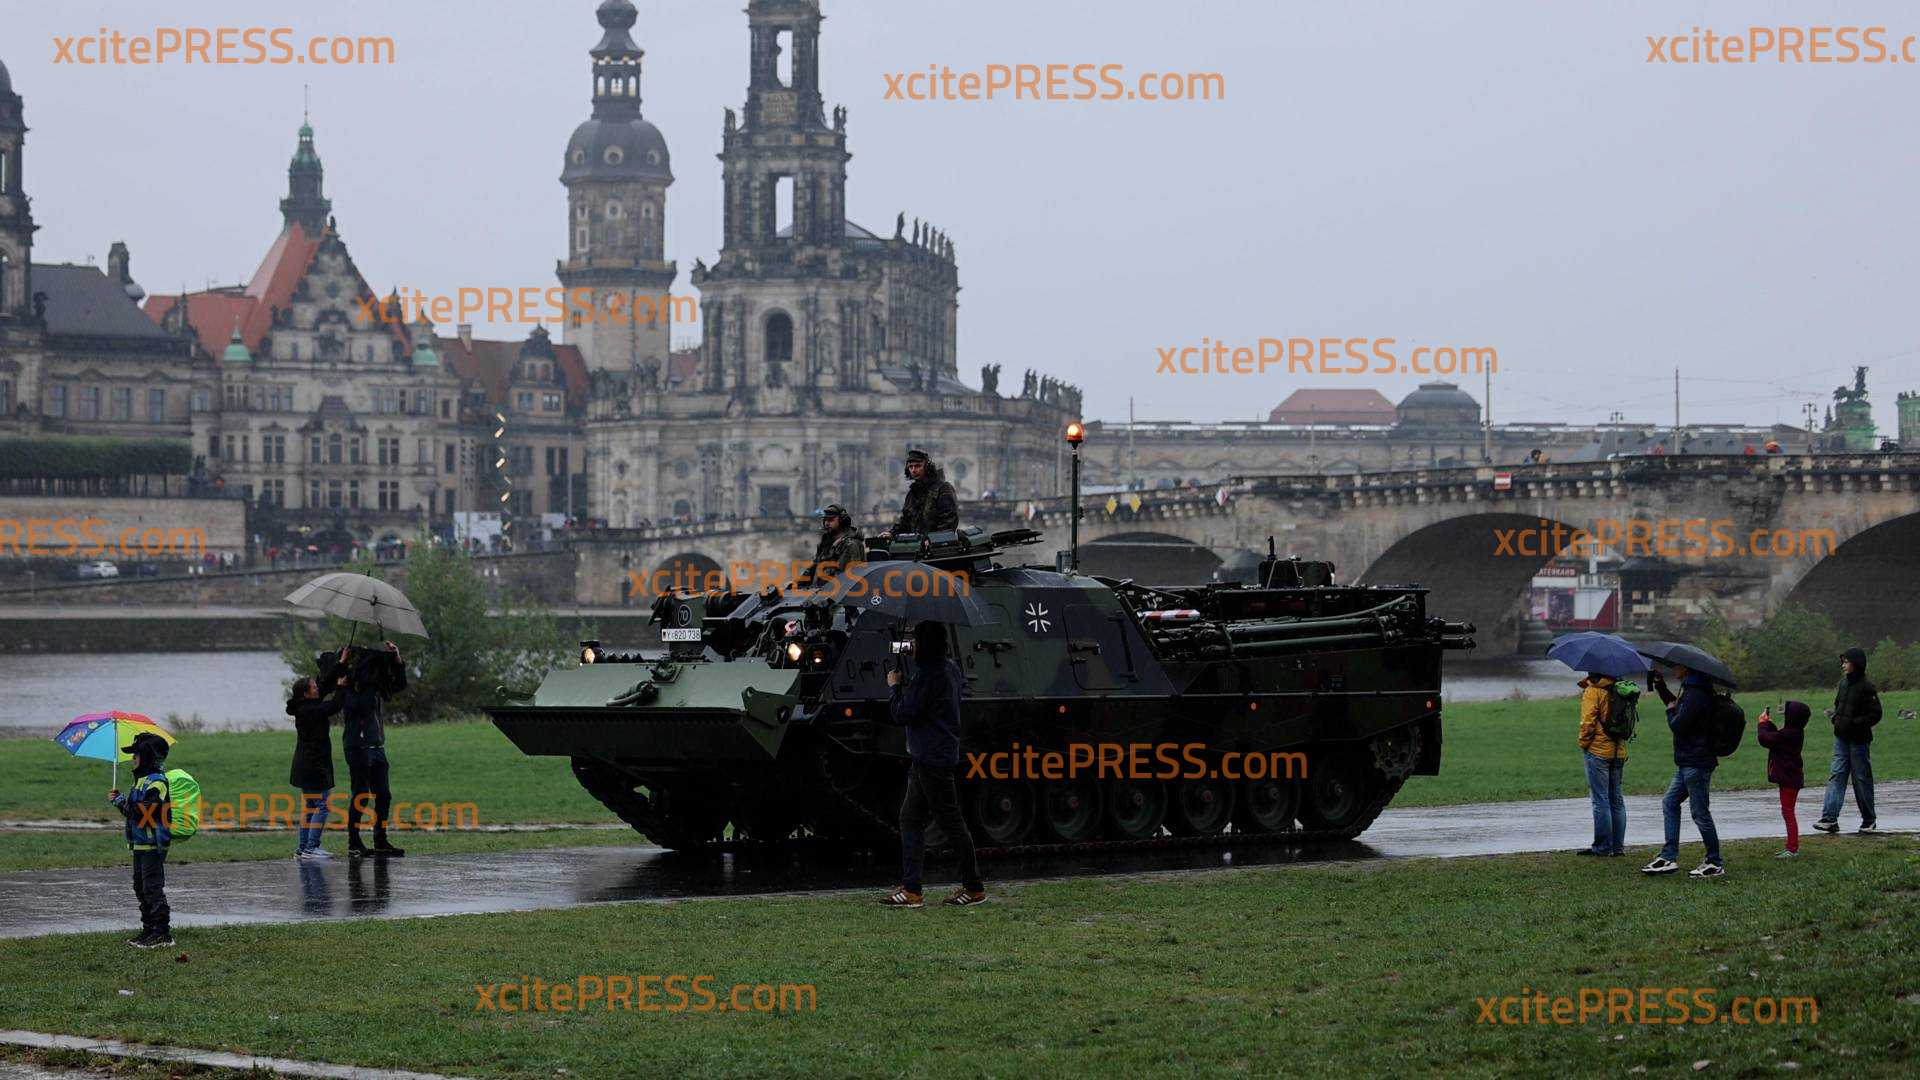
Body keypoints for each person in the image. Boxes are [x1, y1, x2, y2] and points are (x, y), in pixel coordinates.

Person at [879, 620, 986, 908]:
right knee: (912, 818)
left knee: (950, 822)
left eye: (915, 640)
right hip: (933, 755)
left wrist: (894, 687)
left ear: (926, 645)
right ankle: (912, 888)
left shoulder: (929, 675)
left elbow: (903, 714)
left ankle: (972, 886)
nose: (911, 645)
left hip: (930, 758)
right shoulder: (948, 668)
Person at [321, 640, 409, 858]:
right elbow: (325, 686)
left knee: (384, 795)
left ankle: (380, 839)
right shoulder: (346, 688)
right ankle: (354, 841)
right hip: (356, 746)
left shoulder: (375, 686)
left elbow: (398, 684)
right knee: (360, 794)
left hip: (377, 745)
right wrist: (341, 665)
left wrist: (397, 659)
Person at [1640, 665, 1724, 878]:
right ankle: (1668, 857)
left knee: (1700, 813)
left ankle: (1714, 862)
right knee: (1670, 802)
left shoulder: (1696, 694)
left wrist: (1669, 711)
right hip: (1688, 761)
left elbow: (1678, 723)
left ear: (1686, 668)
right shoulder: (1693, 690)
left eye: (1675, 666)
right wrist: (1661, 687)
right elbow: (1679, 708)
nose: (1672, 668)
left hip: (1697, 762)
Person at [108, 732, 174, 948]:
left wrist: (120, 802)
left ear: (146, 757)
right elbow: (133, 811)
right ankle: (149, 930)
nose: (132, 759)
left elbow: (143, 812)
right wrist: (122, 802)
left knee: (152, 888)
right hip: (139, 843)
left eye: (135, 755)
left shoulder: (157, 783)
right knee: (140, 886)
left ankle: (162, 934)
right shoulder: (141, 781)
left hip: (152, 845)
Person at [1813, 648, 1881, 835]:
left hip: (1859, 741)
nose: (1843, 665)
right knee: (1837, 775)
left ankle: (1869, 819)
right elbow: (1838, 706)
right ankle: (1829, 818)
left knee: (1861, 779)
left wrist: (1855, 724)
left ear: (1856, 664)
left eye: (1846, 661)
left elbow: (1876, 714)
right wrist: (1836, 719)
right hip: (1841, 739)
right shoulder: (1843, 684)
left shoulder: (1867, 687)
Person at [288, 673, 347, 859]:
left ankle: (303, 848)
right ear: (306, 694)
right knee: (322, 806)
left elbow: (323, 700)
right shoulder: (312, 710)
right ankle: (312, 847)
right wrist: (341, 687)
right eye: (314, 687)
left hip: (304, 765)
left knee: (311, 807)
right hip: (314, 765)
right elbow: (335, 705)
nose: (317, 689)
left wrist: (340, 666)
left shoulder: (302, 707)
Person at [1575, 672, 1628, 857]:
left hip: (1598, 751)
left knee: (1600, 800)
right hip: (1619, 750)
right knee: (1617, 800)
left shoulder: (1593, 691)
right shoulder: (1620, 688)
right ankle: (1618, 847)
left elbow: (1588, 722)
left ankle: (1602, 847)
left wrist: (1583, 743)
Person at [1757, 702, 1810, 858]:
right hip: (1790, 778)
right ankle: (1791, 847)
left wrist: (1762, 724)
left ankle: (1792, 848)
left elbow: (1765, 739)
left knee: (1788, 812)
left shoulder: (1790, 734)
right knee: (1787, 811)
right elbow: (1775, 736)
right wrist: (1767, 723)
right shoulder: (1793, 732)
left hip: (1789, 780)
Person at [881, 449, 959, 540]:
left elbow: (949, 521)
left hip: (938, 548)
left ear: (927, 467)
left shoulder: (943, 488)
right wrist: (892, 533)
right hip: (916, 545)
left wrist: (934, 540)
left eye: (918, 466)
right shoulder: (912, 494)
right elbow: (905, 522)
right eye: (911, 467)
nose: (914, 470)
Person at [798, 504, 865, 588]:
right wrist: (795, 585)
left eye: (831, 520)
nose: (827, 523)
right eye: (825, 520)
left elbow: (844, 577)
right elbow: (813, 569)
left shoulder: (851, 545)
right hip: (818, 593)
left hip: (838, 596)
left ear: (842, 521)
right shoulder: (825, 543)